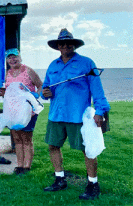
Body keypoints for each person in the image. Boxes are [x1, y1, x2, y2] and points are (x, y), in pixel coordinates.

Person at [41, 28, 110, 200]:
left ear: (74, 44)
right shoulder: (52, 65)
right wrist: (45, 93)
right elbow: (45, 88)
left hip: (78, 115)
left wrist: (100, 111)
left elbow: (97, 90)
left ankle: (93, 184)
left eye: (68, 43)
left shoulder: (87, 63)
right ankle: (59, 179)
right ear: (58, 46)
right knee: (53, 146)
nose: (65, 46)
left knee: (88, 150)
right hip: (56, 115)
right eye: (62, 43)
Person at [5, 48, 43, 175]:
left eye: (15, 57)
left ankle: (27, 167)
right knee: (17, 139)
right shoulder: (7, 73)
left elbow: (41, 85)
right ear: (7, 60)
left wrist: (36, 95)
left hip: (28, 110)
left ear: (20, 58)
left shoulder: (29, 71)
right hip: (13, 112)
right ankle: (19, 166)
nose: (12, 59)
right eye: (9, 57)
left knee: (26, 138)